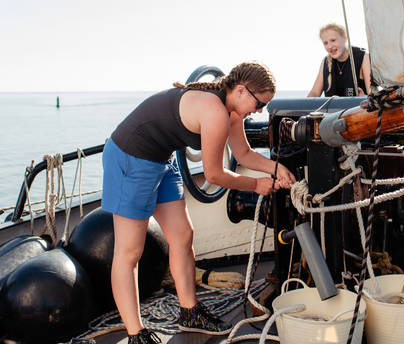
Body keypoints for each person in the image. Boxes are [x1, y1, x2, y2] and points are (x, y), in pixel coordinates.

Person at [101, 61, 296, 344]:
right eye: (260, 103)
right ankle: (136, 334)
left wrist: (275, 169)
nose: (260, 111)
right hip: (131, 156)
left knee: (183, 235)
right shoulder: (215, 112)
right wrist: (255, 184)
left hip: (162, 159)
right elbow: (215, 174)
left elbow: (242, 154)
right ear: (242, 90)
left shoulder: (232, 111)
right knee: (130, 252)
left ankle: (189, 311)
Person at [307, 23, 373, 97]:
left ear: (344, 38)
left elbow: (372, 94)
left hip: (357, 108)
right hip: (333, 108)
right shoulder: (325, 61)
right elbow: (315, 93)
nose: (329, 46)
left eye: (333, 40)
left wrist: (364, 97)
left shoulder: (363, 57)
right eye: (325, 43)